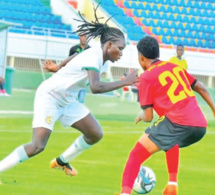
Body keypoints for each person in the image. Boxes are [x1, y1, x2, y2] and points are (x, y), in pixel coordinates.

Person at [0, 6, 139, 179]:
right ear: (109, 45)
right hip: (50, 97)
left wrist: (58, 66)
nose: (121, 53)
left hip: (67, 101)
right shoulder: (94, 57)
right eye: (120, 48)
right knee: (37, 146)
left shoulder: (99, 56)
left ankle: (62, 161)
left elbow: (76, 56)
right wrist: (125, 82)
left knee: (95, 134)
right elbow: (95, 88)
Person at [118, 36, 215, 195]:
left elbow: (148, 117)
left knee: (136, 154)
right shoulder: (175, 67)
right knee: (169, 139)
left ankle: (125, 193)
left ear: (141, 57)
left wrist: (142, 116)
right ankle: (172, 185)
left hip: (178, 122)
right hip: (199, 125)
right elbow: (202, 88)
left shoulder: (146, 77)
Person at [68, 33, 90, 103]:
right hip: (73, 76)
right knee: (69, 97)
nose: (83, 38)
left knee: (81, 99)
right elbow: (68, 61)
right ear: (79, 37)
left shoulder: (90, 49)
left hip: (83, 78)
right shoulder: (73, 49)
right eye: (82, 36)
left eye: (85, 36)